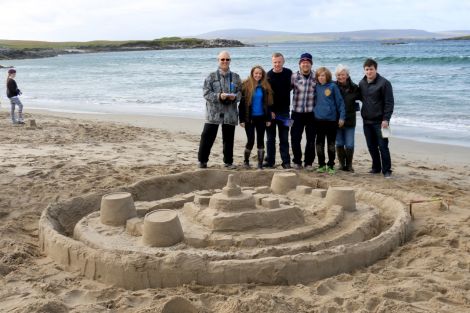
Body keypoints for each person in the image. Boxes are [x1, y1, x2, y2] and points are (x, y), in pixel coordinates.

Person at [198, 51, 242, 169]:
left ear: (230, 61)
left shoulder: (236, 77)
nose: (225, 62)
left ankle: (228, 162)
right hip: (213, 114)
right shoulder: (211, 76)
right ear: (218, 60)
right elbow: (206, 93)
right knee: (207, 137)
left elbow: (241, 93)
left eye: (227, 59)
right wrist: (219, 96)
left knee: (228, 139)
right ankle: (202, 161)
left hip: (230, 114)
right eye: (222, 59)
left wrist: (235, 97)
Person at [359, 58, 394, 178]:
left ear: (376, 69)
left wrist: (386, 119)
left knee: (383, 146)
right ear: (364, 70)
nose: (369, 72)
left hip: (380, 122)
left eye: (371, 69)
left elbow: (389, 103)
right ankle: (376, 167)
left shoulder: (384, 83)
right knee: (371, 146)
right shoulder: (362, 83)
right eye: (367, 69)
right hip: (366, 121)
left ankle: (387, 170)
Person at [239, 65, 273, 169]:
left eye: (260, 73)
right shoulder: (245, 85)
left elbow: (268, 104)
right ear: (252, 74)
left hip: (261, 118)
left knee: (260, 140)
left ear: (262, 75)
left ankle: (260, 164)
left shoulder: (265, 86)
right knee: (251, 140)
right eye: (256, 73)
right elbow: (241, 105)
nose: (258, 75)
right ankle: (246, 161)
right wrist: (242, 119)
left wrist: (268, 119)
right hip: (249, 118)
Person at [314, 67, 345, 174]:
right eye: (319, 75)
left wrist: (342, 117)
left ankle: (331, 165)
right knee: (319, 144)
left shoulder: (333, 86)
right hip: (318, 120)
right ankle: (321, 165)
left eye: (323, 75)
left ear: (327, 76)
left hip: (331, 120)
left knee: (331, 144)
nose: (321, 77)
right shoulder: (316, 86)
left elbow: (340, 103)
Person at [265, 52, 292, 169]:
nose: (277, 64)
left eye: (279, 62)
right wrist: (269, 111)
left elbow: (292, 87)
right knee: (270, 139)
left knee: (285, 138)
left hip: (286, 112)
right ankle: (270, 161)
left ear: (283, 62)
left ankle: (286, 162)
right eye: (275, 62)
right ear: (272, 62)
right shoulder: (267, 75)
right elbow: (265, 96)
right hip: (271, 112)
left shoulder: (289, 73)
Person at [290, 53, 316, 170]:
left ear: (311, 64)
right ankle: (297, 161)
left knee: (311, 139)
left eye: (308, 62)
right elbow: (284, 91)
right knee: (295, 138)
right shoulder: (294, 77)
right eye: (303, 62)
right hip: (296, 113)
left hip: (312, 113)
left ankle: (308, 163)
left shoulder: (316, 76)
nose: (305, 64)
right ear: (300, 64)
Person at [335, 64, 361, 172]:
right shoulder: (333, 86)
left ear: (347, 75)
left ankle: (349, 165)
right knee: (339, 143)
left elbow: (364, 99)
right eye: (338, 75)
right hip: (336, 120)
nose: (341, 77)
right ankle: (341, 165)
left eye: (343, 75)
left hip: (350, 120)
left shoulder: (355, 87)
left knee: (349, 144)